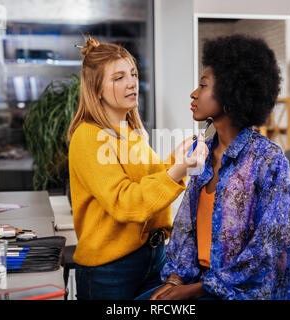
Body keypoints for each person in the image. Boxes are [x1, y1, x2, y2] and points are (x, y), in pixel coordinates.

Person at [136, 34, 290, 300]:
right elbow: (185, 231)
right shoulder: (202, 155)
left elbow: (265, 250)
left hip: (240, 294)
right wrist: (175, 280)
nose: (194, 93)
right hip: (198, 285)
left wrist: (194, 290)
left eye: (203, 85)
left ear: (230, 93)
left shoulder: (267, 160)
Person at [66, 37, 208, 300]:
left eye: (132, 74)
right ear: (96, 89)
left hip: (153, 258)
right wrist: (177, 170)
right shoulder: (87, 137)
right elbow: (124, 202)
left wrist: (174, 161)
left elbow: (148, 181)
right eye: (118, 77)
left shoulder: (129, 132)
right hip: (110, 271)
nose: (132, 82)